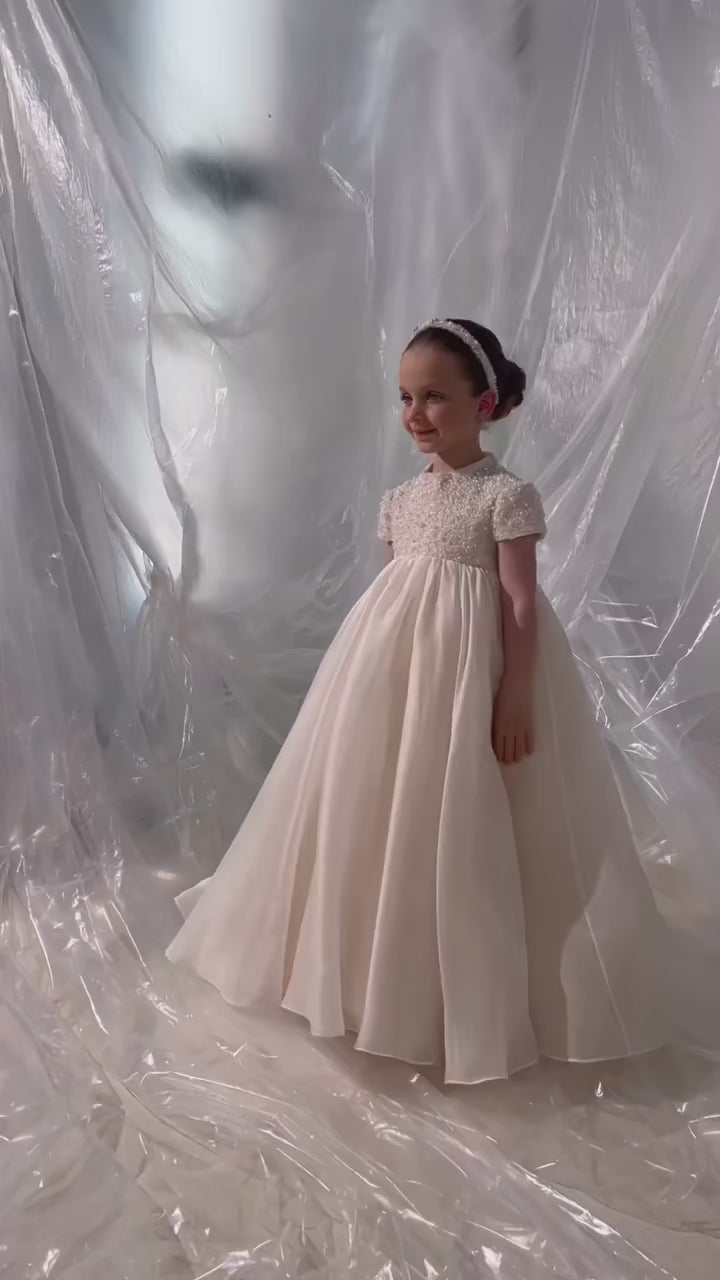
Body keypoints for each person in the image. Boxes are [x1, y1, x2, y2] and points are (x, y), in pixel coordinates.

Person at [167, 318, 667, 1085]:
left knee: (468, 810)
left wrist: (514, 692)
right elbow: (398, 593)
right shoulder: (400, 500)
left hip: (474, 672)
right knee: (378, 803)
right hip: (393, 674)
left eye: (434, 397)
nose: (415, 414)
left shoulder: (506, 495)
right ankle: (365, 974)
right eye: (405, 397)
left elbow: (520, 604)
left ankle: (466, 995)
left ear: (484, 403)